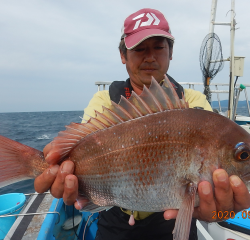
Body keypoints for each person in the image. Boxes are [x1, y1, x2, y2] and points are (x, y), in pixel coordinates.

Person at [34, 8, 250, 240]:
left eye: (159, 47)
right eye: (139, 49)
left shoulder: (194, 103)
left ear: (170, 53)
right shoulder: (104, 102)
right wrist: (51, 162)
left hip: (173, 219)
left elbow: (206, 194)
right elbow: (79, 149)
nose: (150, 57)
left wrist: (218, 211)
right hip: (115, 217)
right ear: (123, 55)